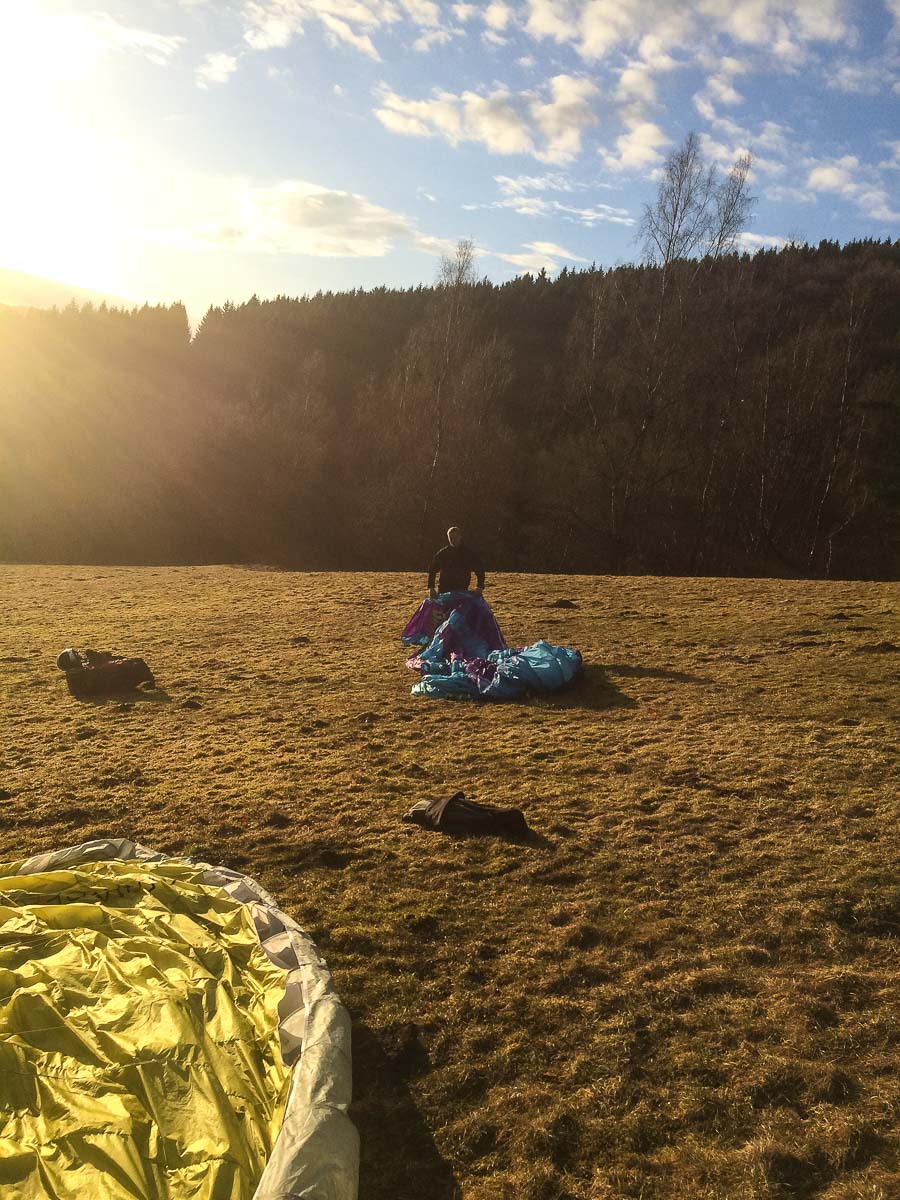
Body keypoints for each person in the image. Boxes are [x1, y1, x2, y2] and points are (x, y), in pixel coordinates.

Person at [427, 526, 486, 600]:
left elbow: (479, 569)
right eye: (451, 538)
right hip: (444, 590)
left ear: (460, 537)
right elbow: (432, 570)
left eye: (455, 537)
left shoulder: (468, 553)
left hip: (462, 589)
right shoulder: (443, 554)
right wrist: (431, 588)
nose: (453, 540)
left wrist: (480, 586)